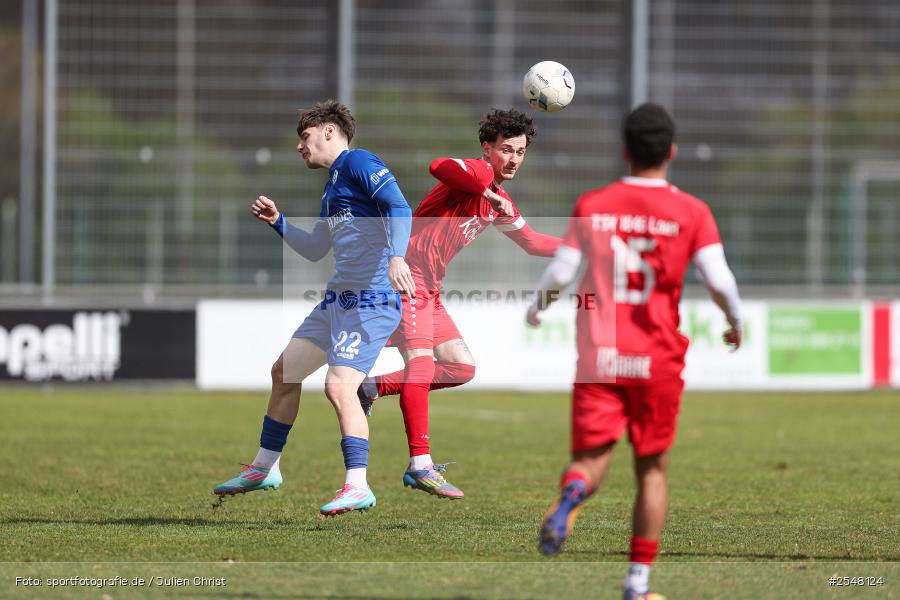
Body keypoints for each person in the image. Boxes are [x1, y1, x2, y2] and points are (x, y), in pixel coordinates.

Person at [526, 103, 742, 600]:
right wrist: (735, 323)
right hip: (658, 359)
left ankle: (572, 495)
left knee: (591, 459)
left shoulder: (594, 202)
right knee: (651, 469)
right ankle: (637, 584)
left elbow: (560, 274)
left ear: (624, 151)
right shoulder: (691, 211)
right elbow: (719, 280)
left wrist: (536, 310)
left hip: (600, 355)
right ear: (671, 151)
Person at [212, 100, 415, 516]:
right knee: (283, 373)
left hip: (371, 301)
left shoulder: (357, 162)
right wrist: (278, 221)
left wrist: (397, 256)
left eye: (304, 138)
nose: (300, 147)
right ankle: (266, 467)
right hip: (336, 301)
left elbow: (399, 206)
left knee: (339, 387)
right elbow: (316, 248)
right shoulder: (332, 186)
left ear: (328, 130)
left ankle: (358, 486)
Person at [358, 109, 561, 498]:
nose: (514, 159)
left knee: (460, 367)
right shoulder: (480, 174)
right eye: (506, 150)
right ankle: (421, 465)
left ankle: (371, 389)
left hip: (430, 289)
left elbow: (533, 242)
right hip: (406, 277)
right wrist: (483, 189)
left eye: (520, 151)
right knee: (420, 366)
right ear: (487, 148)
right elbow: (438, 165)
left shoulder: (498, 197)